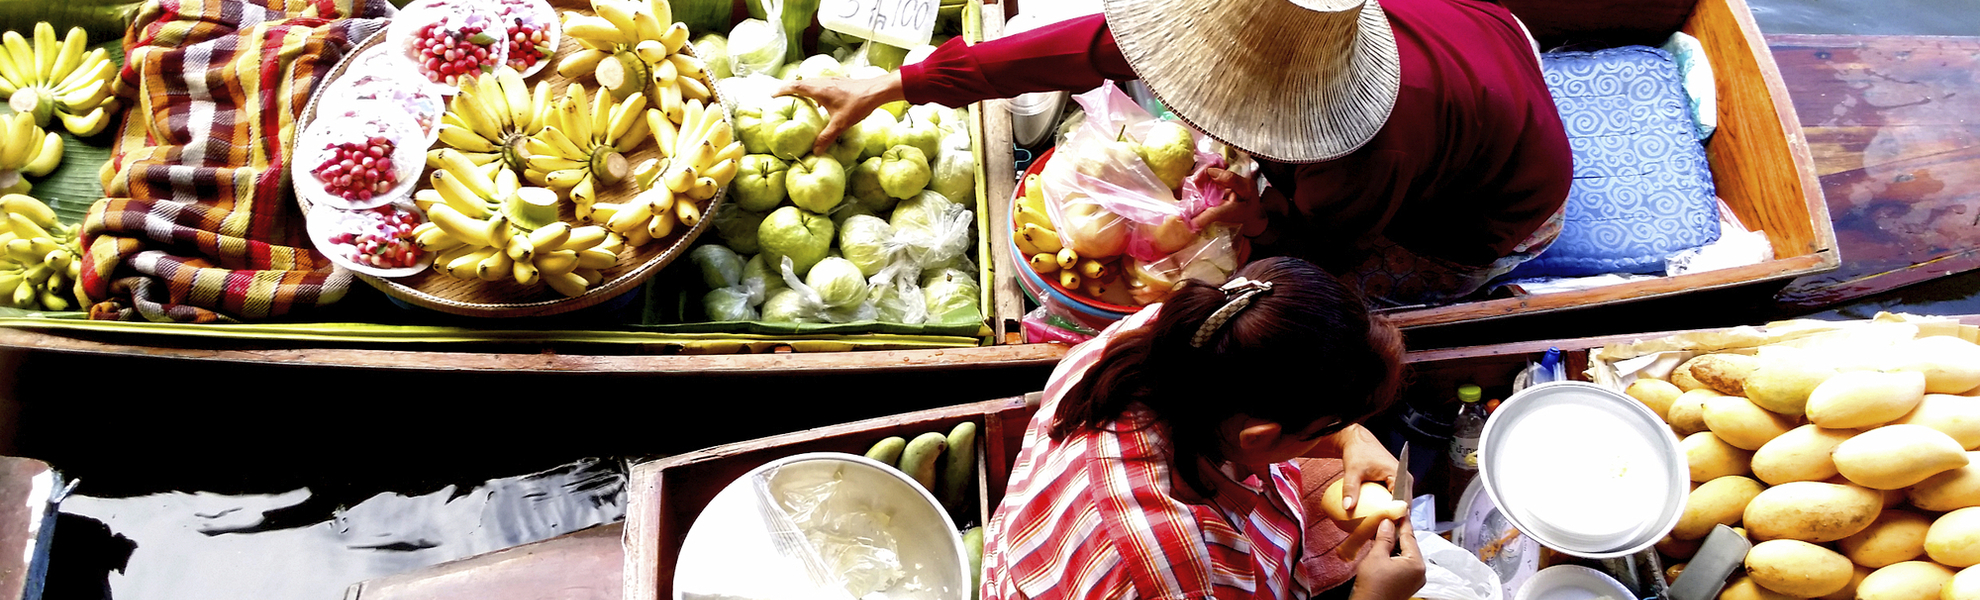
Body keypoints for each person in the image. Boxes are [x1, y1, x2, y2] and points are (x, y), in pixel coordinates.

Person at [780, 0, 1572, 306]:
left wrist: (1263, 217)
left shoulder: (1364, 161)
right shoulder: (1283, 15)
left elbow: (1320, 243)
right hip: (1491, 42)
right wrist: (899, 86)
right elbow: (1088, 45)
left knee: (1319, 303)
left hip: (1497, 200)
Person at [979, 256, 1423, 600]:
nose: (1343, 429)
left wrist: (1351, 435)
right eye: (1330, 423)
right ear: (1259, 436)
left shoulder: (1184, 332)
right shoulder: (1186, 575)